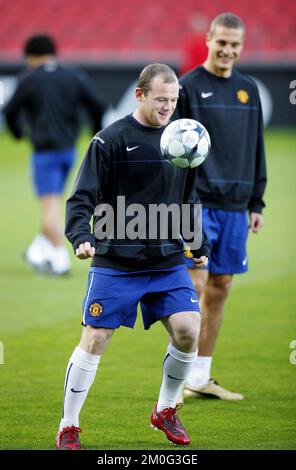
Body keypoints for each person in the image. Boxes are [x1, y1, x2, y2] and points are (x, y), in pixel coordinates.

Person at [55, 64, 210, 449]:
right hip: (117, 262)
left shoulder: (183, 138)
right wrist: (80, 236)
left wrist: (197, 242)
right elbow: (81, 198)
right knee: (95, 337)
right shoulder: (109, 141)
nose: (168, 107)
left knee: (190, 328)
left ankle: (165, 410)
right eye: (161, 100)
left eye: (173, 101)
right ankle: (68, 425)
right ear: (140, 95)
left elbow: (187, 198)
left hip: (166, 260)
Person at [175, 13, 267, 401]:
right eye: (222, 42)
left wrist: (256, 200)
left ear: (241, 47)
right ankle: (174, 384)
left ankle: (201, 376)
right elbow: (173, 150)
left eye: (235, 45)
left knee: (220, 287)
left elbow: (256, 148)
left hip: (235, 206)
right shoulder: (188, 87)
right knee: (193, 286)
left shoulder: (248, 90)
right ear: (209, 40)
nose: (228, 50)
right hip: (196, 205)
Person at [3, 34, 105, 275]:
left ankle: (60, 259)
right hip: (68, 151)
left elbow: (9, 111)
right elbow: (97, 104)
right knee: (54, 202)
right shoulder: (72, 75)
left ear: (31, 56)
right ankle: (37, 249)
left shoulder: (29, 78)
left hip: (44, 152)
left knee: (49, 206)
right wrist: (95, 131)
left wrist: (18, 133)